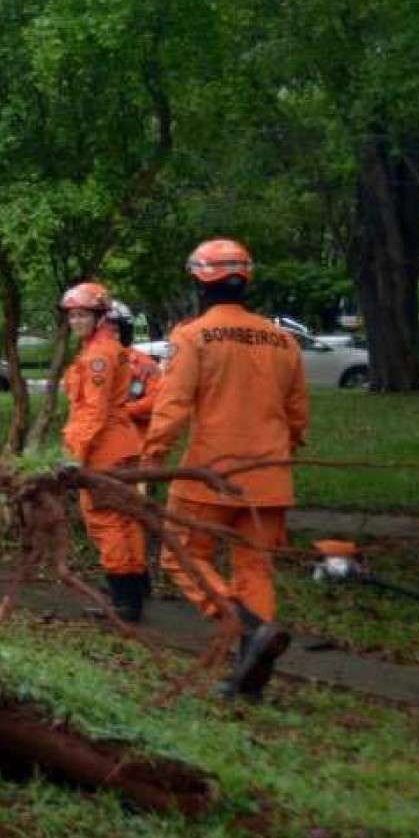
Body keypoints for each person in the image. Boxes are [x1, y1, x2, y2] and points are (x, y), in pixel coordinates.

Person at [140, 239, 308, 701]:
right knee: (255, 568)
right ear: (244, 279)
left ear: (199, 280)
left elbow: (172, 406)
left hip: (209, 474)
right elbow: (297, 414)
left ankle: (249, 628)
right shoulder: (283, 339)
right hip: (270, 474)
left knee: (180, 556)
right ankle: (250, 674)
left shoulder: (192, 336)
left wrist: (152, 457)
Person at [59, 283, 149, 622]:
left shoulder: (98, 355)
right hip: (120, 443)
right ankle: (135, 588)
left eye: (83, 315)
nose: (76, 321)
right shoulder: (104, 348)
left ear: (99, 317)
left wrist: (74, 456)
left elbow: (91, 412)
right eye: (73, 316)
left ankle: (123, 602)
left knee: (105, 521)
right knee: (126, 518)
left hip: (103, 449)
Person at [108, 302, 160, 435]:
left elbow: (157, 399)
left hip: (137, 440)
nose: (108, 336)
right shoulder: (87, 364)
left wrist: (125, 410)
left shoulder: (145, 364)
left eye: (114, 331)